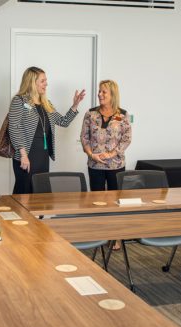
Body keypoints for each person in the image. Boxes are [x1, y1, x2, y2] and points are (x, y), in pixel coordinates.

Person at [9, 66, 86, 194]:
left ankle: (37, 215)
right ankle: (20, 214)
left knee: (41, 192)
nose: (46, 84)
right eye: (43, 81)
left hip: (43, 155)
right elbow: (14, 128)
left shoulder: (46, 103)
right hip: (26, 153)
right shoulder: (19, 101)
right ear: (32, 82)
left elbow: (64, 121)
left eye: (46, 80)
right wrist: (23, 155)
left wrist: (75, 105)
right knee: (24, 191)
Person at [80, 80, 132, 250]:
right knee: (97, 201)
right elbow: (84, 137)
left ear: (112, 95)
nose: (100, 95)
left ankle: (116, 237)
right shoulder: (90, 114)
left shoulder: (122, 115)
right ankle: (99, 235)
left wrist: (110, 154)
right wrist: (90, 154)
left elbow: (126, 139)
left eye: (104, 92)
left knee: (115, 202)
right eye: (99, 91)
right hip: (95, 165)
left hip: (115, 165)